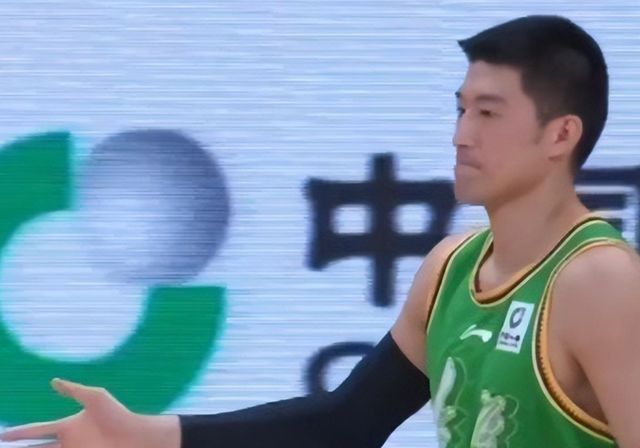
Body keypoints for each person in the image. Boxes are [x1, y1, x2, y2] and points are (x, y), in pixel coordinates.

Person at [3, 14, 639, 448]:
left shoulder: (599, 282)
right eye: (461, 108)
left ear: (561, 134)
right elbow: (347, 422)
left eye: (489, 113)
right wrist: (149, 434)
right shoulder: (450, 267)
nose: (460, 135)